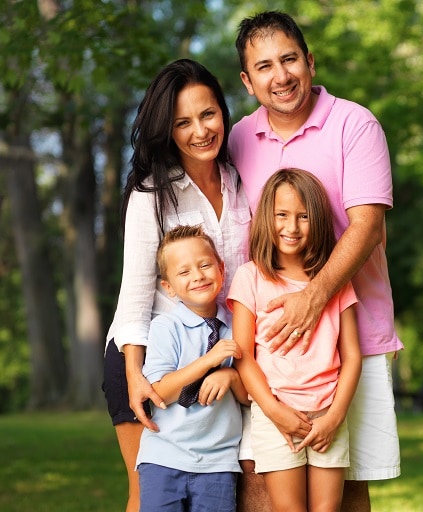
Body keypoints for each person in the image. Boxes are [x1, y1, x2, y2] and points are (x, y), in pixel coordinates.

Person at [231, 11, 403, 511]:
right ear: (247, 81)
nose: (279, 76)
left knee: (348, 486)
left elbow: (368, 226)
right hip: (270, 353)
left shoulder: (354, 123)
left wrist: (313, 297)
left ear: (309, 60)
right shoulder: (239, 137)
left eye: (288, 59)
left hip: (353, 338)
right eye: (263, 66)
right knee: (261, 484)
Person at [102, 59, 251, 512]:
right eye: (182, 122)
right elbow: (135, 295)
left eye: (208, 114)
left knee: (221, 495)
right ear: (167, 130)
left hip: (225, 350)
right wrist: (135, 377)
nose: (200, 131)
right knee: (148, 497)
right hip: (150, 359)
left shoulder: (243, 181)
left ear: (223, 113)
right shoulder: (152, 194)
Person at [228, 168, 362, 511]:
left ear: (316, 220)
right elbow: (243, 357)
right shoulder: (250, 278)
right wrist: (274, 411)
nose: (292, 227)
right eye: (282, 215)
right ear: (266, 219)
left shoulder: (334, 282)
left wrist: (333, 417)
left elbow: (352, 357)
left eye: (303, 217)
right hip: (276, 417)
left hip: (327, 414)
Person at [137, 225, 250, 511]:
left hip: (218, 461)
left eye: (205, 265)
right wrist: (208, 362)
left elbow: (249, 398)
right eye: (184, 272)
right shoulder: (166, 327)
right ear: (169, 287)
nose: (198, 276)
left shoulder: (239, 325)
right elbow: (159, 392)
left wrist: (231, 374)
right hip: (163, 456)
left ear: (221, 269)